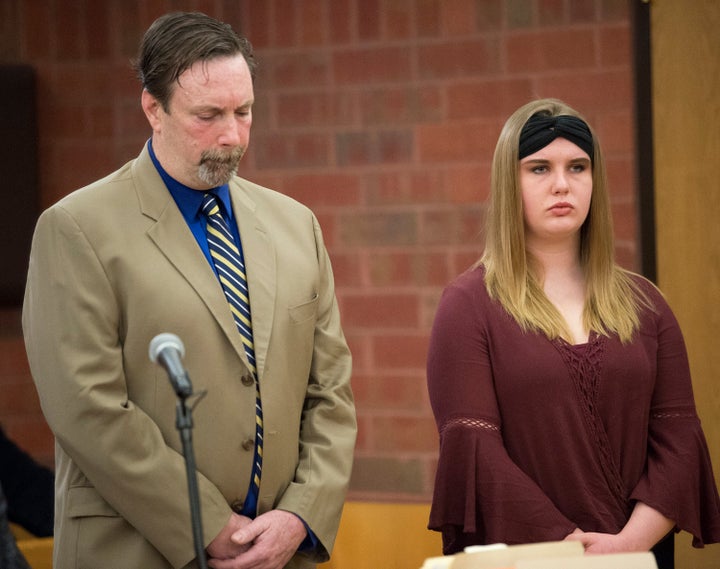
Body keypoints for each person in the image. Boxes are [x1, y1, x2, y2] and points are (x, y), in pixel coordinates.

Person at [22, 11, 356, 569]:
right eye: (208, 115)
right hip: (135, 549)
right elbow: (87, 407)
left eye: (244, 112)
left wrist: (301, 514)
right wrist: (205, 521)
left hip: (282, 553)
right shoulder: (75, 228)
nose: (231, 134)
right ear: (153, 108)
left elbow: (331, 392)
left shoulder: (297, 224)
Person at [426, 98, 720, 569]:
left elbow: (679, 440)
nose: (562, 184)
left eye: (577, 167)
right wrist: (570, 547)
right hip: (531, 557)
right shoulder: (467, 306)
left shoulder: (646, 305)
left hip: (640, 557)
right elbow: (476, 454)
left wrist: (625, 547)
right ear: (510, 183)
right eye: (539, 168)